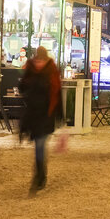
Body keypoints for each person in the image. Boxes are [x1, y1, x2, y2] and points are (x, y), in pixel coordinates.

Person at [20, 47, 62, 195]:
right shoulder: (30, 70)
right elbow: (22, 88)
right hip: (33, 115)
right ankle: (41, 175)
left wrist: (60, 117)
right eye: (37, 60)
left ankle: (38, 178)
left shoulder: (52, 72)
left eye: (41, 60)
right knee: (38, 147)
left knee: (40, 146)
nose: (39, 63)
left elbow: (57, 95)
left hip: (46, 115)